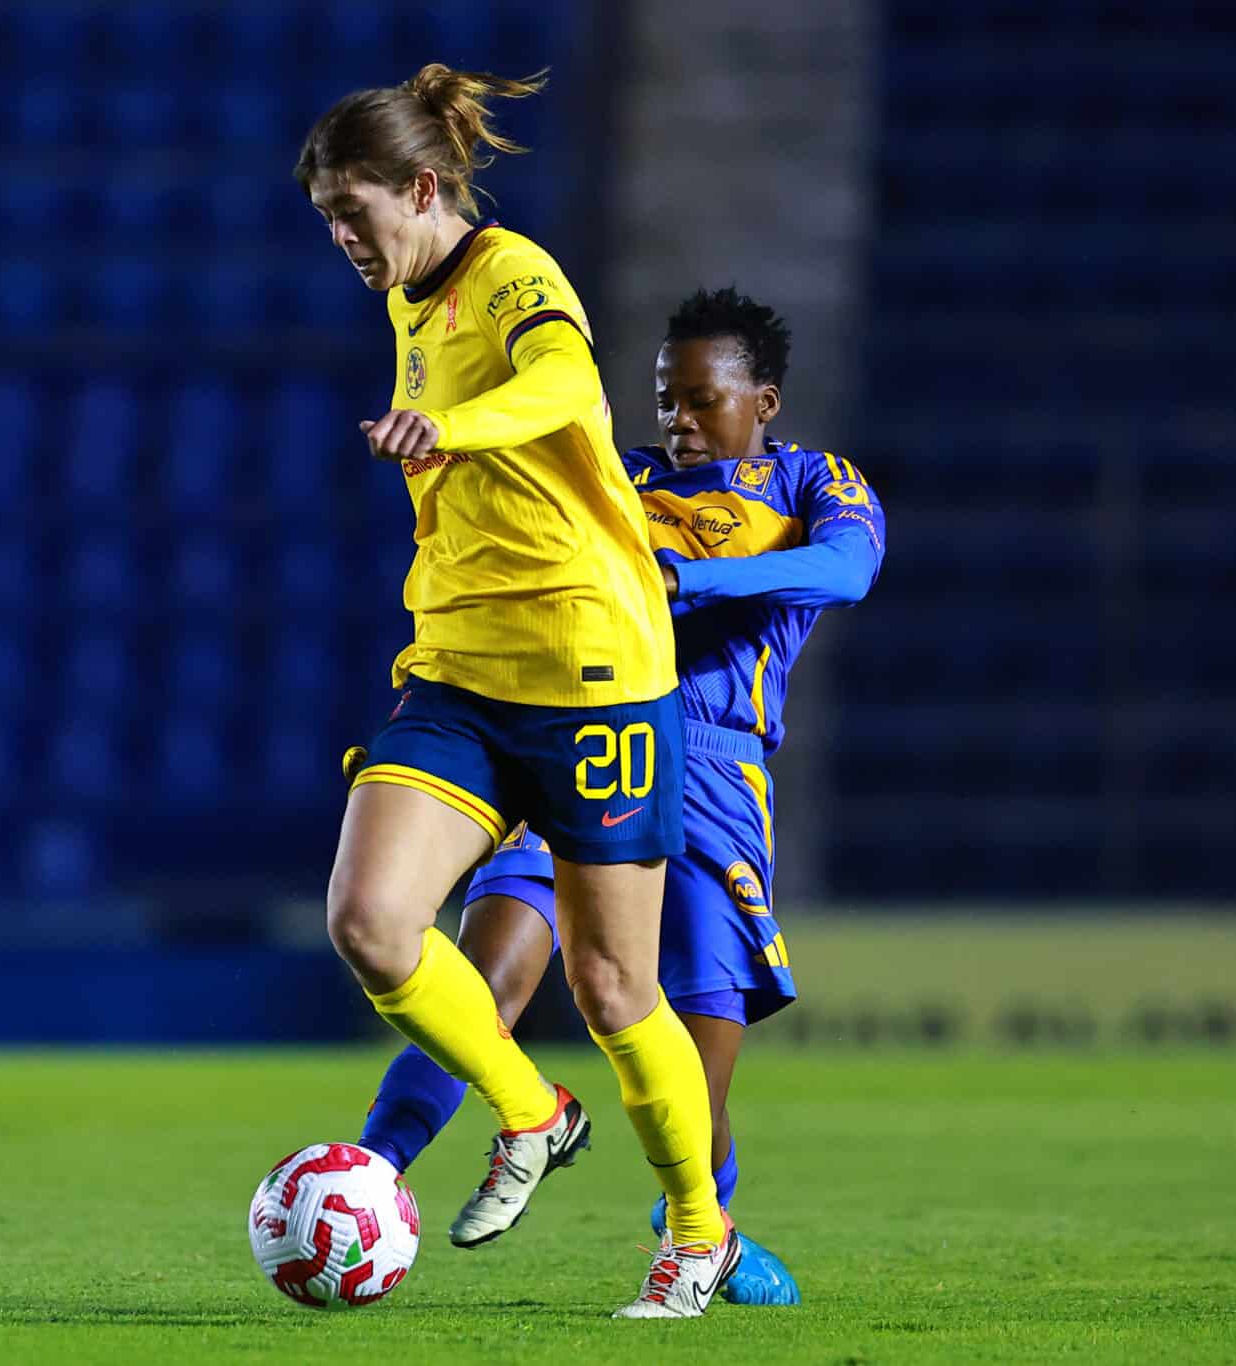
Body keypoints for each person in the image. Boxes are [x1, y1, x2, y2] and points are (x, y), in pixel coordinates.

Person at [297, 65, 735, 1318]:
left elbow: (563, 386)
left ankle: (695, 1231)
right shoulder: (408, 302)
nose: (341, 238)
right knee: (370, 920)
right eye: (325, 218)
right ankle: (531, 1110)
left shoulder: (509, 272)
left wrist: (455, 428)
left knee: (611, 988)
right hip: (457, 668)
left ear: (420, 188)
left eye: (351, 211)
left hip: (592, 672)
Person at [351, 286, 888, 1305]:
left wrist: (685, 579)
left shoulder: (815, 480)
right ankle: (372, 1172)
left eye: (701, 400)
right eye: (664, 398)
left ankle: (704, 1222)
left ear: (763, 401)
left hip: (715, 768)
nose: (678, 420)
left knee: (687, 1062)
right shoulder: (617, 475)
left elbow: (846, 568)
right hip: (581, 731)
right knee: (485, 977)